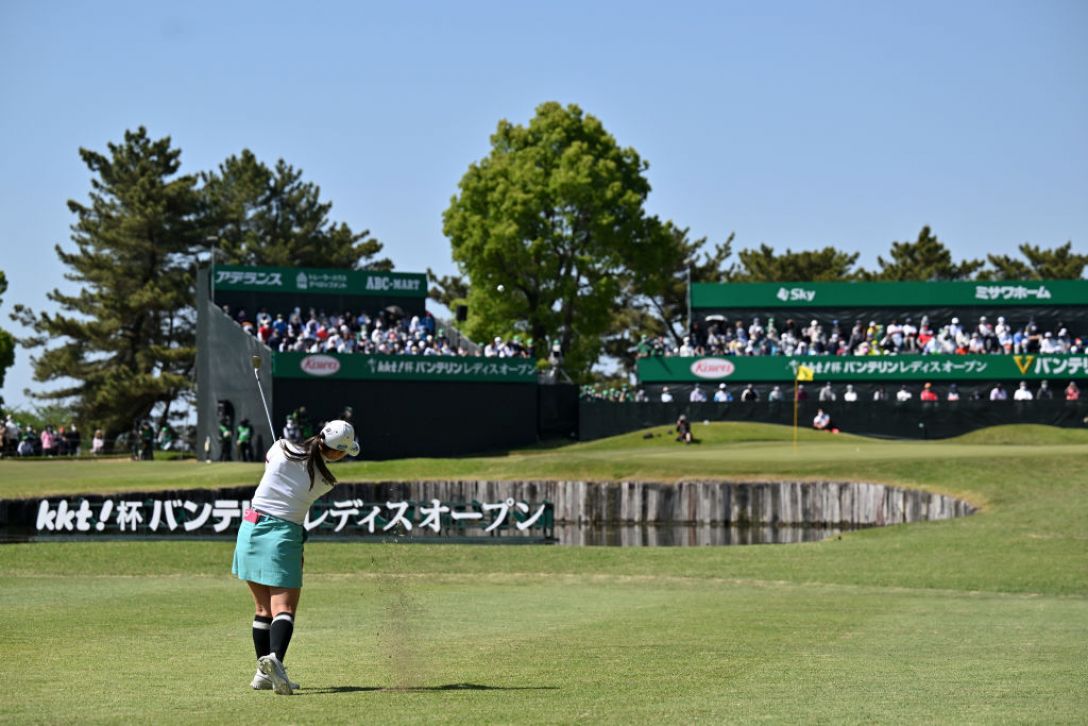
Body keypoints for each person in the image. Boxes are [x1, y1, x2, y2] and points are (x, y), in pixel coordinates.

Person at [233, 420, 359, 695]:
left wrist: (281, 448)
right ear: (336, 453)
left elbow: (272, 463)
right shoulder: (325, 481)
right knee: (284, 610)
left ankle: (261, 674)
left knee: (263, 609)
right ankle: (275, 660)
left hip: (250, 529)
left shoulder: (280, 447)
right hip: (282, 536)